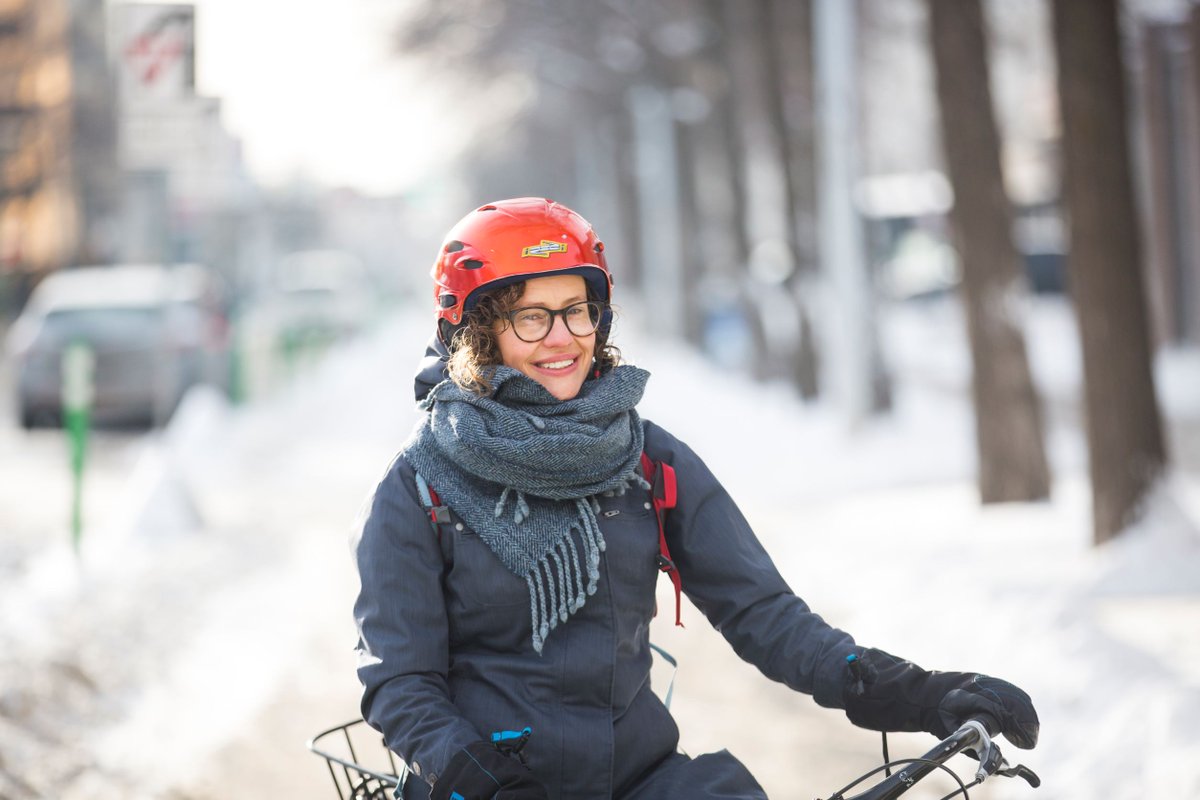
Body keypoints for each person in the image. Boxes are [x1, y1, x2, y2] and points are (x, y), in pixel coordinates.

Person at [352, 197, 1039, 800]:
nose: (562, 338)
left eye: (576, 310)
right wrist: (476, 776)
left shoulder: (646, 460)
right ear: (478, 333)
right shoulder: (420, 486)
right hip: (486, 787)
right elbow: (400, 683)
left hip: (640, 782)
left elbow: (765, 615)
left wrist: (914, 691)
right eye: (530, 317)